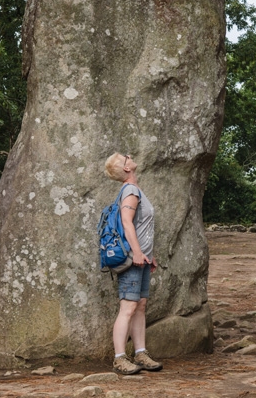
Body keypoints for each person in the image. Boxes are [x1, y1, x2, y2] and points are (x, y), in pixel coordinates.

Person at [104, 152, 163, 375]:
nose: (131, 157)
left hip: (142, 258)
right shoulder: (130, 190)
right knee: (127, 308)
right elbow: (127, 223)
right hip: (132, 259)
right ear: (127, 168)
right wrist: (137, 253)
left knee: (140, 306)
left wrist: (149, 254)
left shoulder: (135, 190)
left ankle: (140, 353)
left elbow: (141, 226)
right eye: (127, 157)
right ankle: (119, 358)